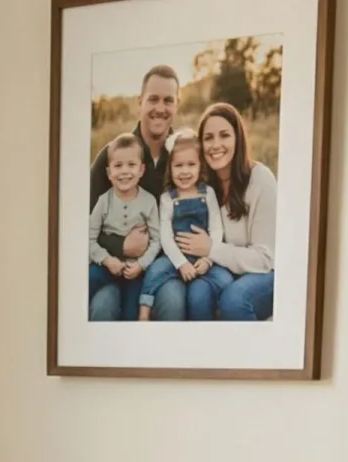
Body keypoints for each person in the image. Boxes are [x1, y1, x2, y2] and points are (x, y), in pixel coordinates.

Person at [168, 102, 276, 323]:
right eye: (208, 138)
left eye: (224, 135)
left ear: (238, 138)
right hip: (221, 270)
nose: (216, 145)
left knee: (234, 299)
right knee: (197, 295)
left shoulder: (260, 179)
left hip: (264, 273)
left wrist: (211, 248)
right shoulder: (202, 186)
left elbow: (264, 258)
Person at [88, 65, 179, 269]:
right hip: (115, 266)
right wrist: (121, 245)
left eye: (168, 100)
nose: (160, 108)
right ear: (140, 102)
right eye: (153, 99)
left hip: (169, 264)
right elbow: (83, 225)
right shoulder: (111, 157)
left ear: (177, 104)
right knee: (103, 301)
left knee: (172, 299)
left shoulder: (184, 158)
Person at [138, 130, 224, 322]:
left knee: (225, 279)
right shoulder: (167, 198)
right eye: (178, 166)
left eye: (191, 164)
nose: (185, 171)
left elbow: (216, 228)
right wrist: (181, 263)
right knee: (155, 271)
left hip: (204, 255)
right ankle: (144, 309)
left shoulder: (207, 193)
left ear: (200, 166)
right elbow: (166, 237)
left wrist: (208, 258)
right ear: (170, 168)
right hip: (175, 257)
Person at [87, 134, 159, 321]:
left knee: (130, 314)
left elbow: (156, 240)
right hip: (105, 265)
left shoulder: (149, 201)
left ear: (142, 169)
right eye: (118, 166)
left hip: (135, 271)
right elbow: (89, 238)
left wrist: (141, 265)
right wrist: (107, 260)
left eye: (131, 165)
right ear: (109, 172)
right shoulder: (104, 201)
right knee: (86, 280)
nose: (124, 171)